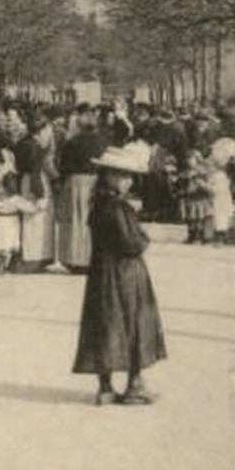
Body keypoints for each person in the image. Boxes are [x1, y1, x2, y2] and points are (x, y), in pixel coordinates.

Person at [72, 143, 167, 406]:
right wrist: (144, 238)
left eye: (129, 176)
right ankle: (134, 384)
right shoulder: (119, 208)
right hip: (126, 274)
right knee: (134, 323)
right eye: (123, 175)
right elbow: (132, 244)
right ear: (109, 175)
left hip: (102, 272)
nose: (128, 181)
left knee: (105, 325)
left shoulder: (98, 204)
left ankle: (105, 386)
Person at [54, 105, 107, 272]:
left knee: (75, 220)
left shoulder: (72, 142)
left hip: (75, 181)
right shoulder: (103, 141)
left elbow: (64, 165)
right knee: (92, 220)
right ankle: (92, 258)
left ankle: (74, 258)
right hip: (96, 181)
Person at [12, 116, 56, 272]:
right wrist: (41, 194)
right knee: (36, 221)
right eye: (47, 130)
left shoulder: (21, 144)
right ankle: (35, 259)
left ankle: (24, 257)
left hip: (23, 182)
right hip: (34, 183)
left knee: (26, 220)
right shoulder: (36, 148)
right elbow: (35, 172)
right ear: (40, 131)